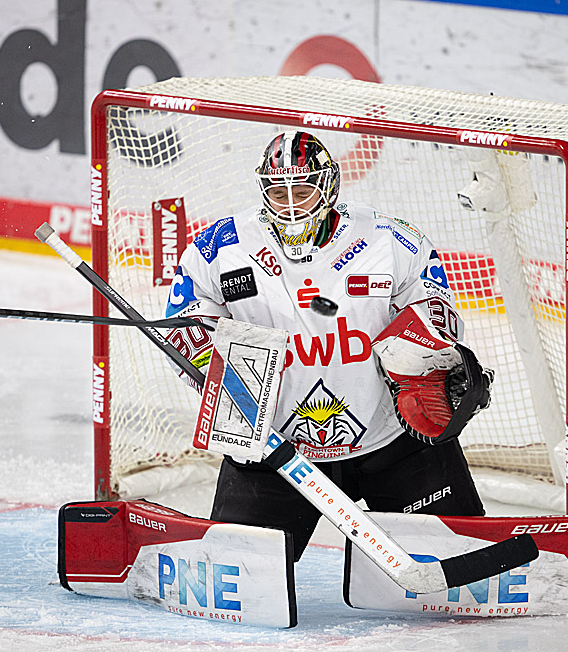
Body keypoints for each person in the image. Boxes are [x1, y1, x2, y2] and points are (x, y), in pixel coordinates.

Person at [164, 130, 492, 561]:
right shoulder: (218, 247)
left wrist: (429, 357)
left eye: (302, 191)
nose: (290, 205)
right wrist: (210, 360)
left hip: (393, 441)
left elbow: (435, 305)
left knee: (463, 560)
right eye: (278, 193)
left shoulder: (390, 240)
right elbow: (184, 321)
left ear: (329, 186)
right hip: (274, 449)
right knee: (237, 571)